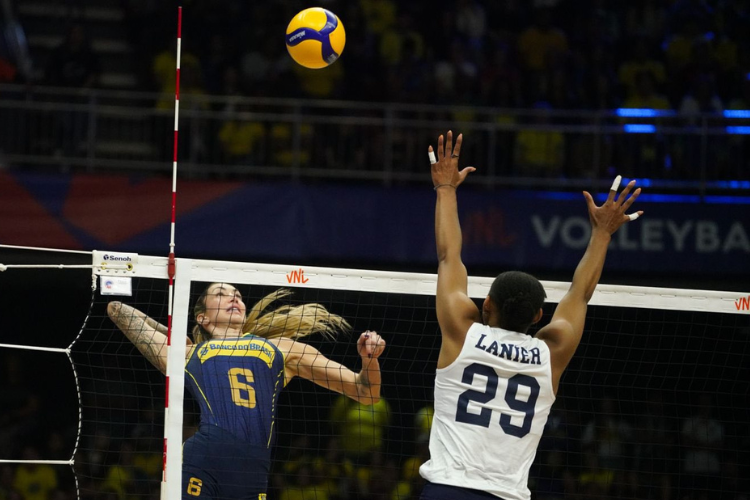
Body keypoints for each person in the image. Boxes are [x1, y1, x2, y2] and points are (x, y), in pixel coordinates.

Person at [419, 131, 643, 500]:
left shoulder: (462, 332)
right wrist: (603, 232)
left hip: (448, 489)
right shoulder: (550, 354)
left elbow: (448, 256)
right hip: (506, 494)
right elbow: (580, 295)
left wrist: (445, 188)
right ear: (540, 315)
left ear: (486, 303)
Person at [107, 283, 385, 500]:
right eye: (221, 293)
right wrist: (180, 336)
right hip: (204, 460)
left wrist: (370, 359)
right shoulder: (190, 354)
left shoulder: (282, 348)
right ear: (202, 317)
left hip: (251, 472)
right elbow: (117, 309)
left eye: (238, 294)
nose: (234, 298)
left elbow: (366, 393)